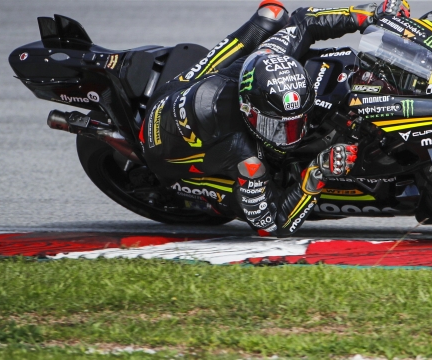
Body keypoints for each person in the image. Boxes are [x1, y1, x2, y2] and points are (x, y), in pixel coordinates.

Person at [140, 0, 411, 237]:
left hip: (197, 88)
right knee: (259, 187)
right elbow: (274, 226)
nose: (290, 136)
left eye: (296, 124)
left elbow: (305, 21)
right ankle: (197, 190)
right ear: (249, 111)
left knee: (274, 12)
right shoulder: (246, 159)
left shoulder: (268, 55)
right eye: (277, 126)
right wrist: (318, 171)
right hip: (167, 156)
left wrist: (369, 15)